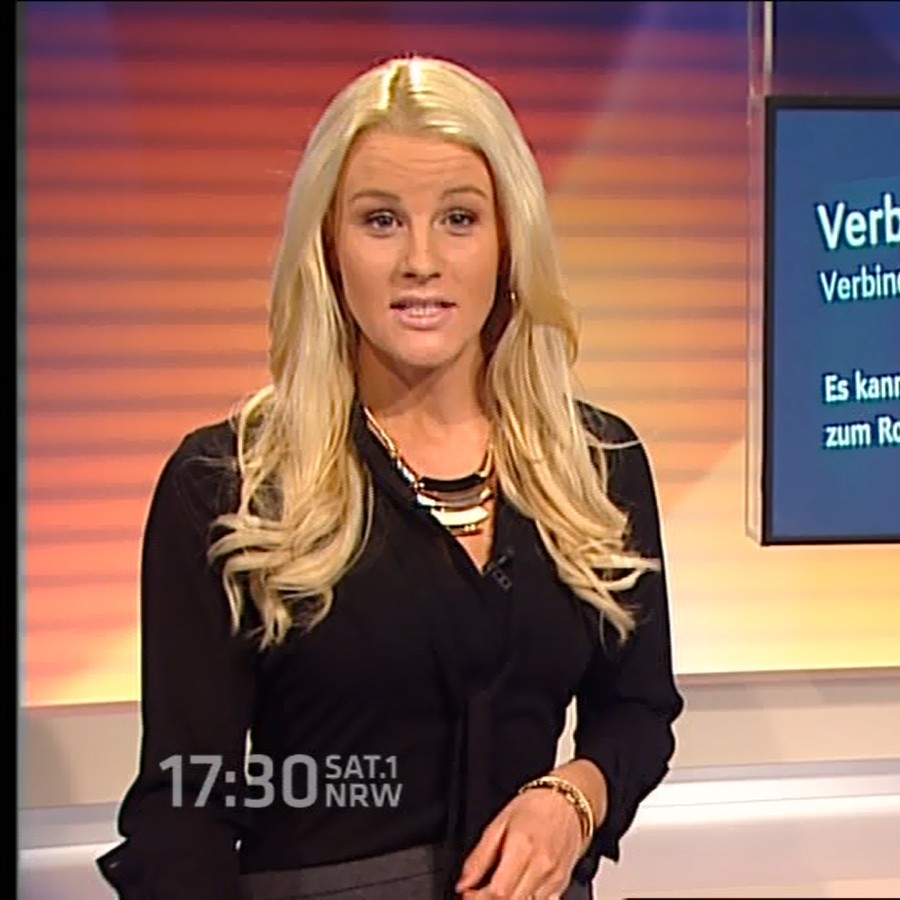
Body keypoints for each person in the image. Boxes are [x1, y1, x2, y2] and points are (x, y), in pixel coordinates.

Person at [95, 55, 684, 900]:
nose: (421, 260)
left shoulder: (596, 466)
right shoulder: (229, 486)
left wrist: (573, 800)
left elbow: (638, 710)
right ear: (329, 248)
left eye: (459, 219)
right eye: (380, 221)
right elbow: (186, 806)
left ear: (508, 243)